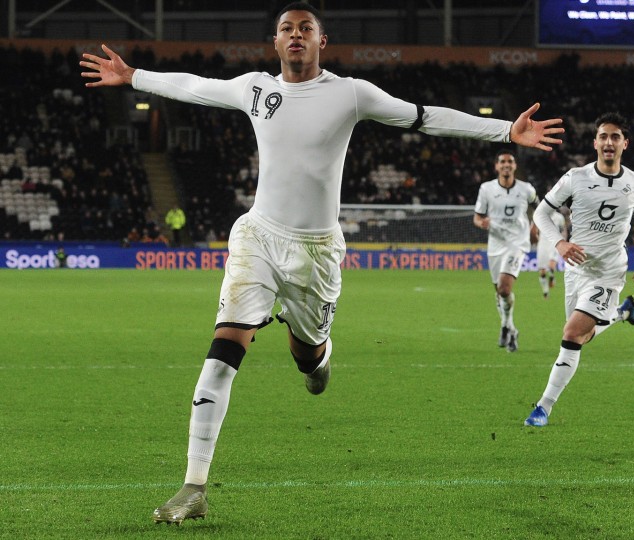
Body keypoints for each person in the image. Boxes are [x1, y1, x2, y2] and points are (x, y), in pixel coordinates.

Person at [80, 2, 563, 524]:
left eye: (305, 29)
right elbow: (195, 85)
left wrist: (503, 133)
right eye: (286, 29)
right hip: (258, 237)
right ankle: (194, 485)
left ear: (321, 42)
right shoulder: (255, 89)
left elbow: (424, 118)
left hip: (315, 254)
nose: (295, 36)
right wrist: (133, 77)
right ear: (275, 42)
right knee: (222, 354)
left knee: (307, 359)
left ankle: (318, 357)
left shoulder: (349, 93)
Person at [523, 112, 634, 427]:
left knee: (570, 333)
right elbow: (541, 214)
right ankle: (620, 314)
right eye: (604, 136)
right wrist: (560, 244)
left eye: (615, 137)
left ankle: (543, 407)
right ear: (595, 142)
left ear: (625, 144)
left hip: (608, 271)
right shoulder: (575, 178)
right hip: (576, 269)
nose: (609, 142)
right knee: (581, 336)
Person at [473, 150, 539, 352]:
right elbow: (477, 217)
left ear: (515, 166)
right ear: (497, 166)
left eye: (510, 161)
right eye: (502, 162)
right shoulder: (486, 189)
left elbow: (540, 206)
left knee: (504, 288)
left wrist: (535, 226)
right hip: (495, 245)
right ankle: (510, 328)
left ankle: (504, 326)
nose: (506, 165)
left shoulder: (526, 189)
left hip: (517, 243)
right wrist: (481, 223)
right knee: (499, 292)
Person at [533, 206, 568, 299]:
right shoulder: (540, 215)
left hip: (554, 242)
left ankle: (552, 276)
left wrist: (563, 242)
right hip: (542, 244)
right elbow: (535, 231)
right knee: (542, 272)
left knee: (551, 266)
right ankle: (545, 292)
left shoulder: (559, 217)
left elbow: (562, 230)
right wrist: (538, 239)